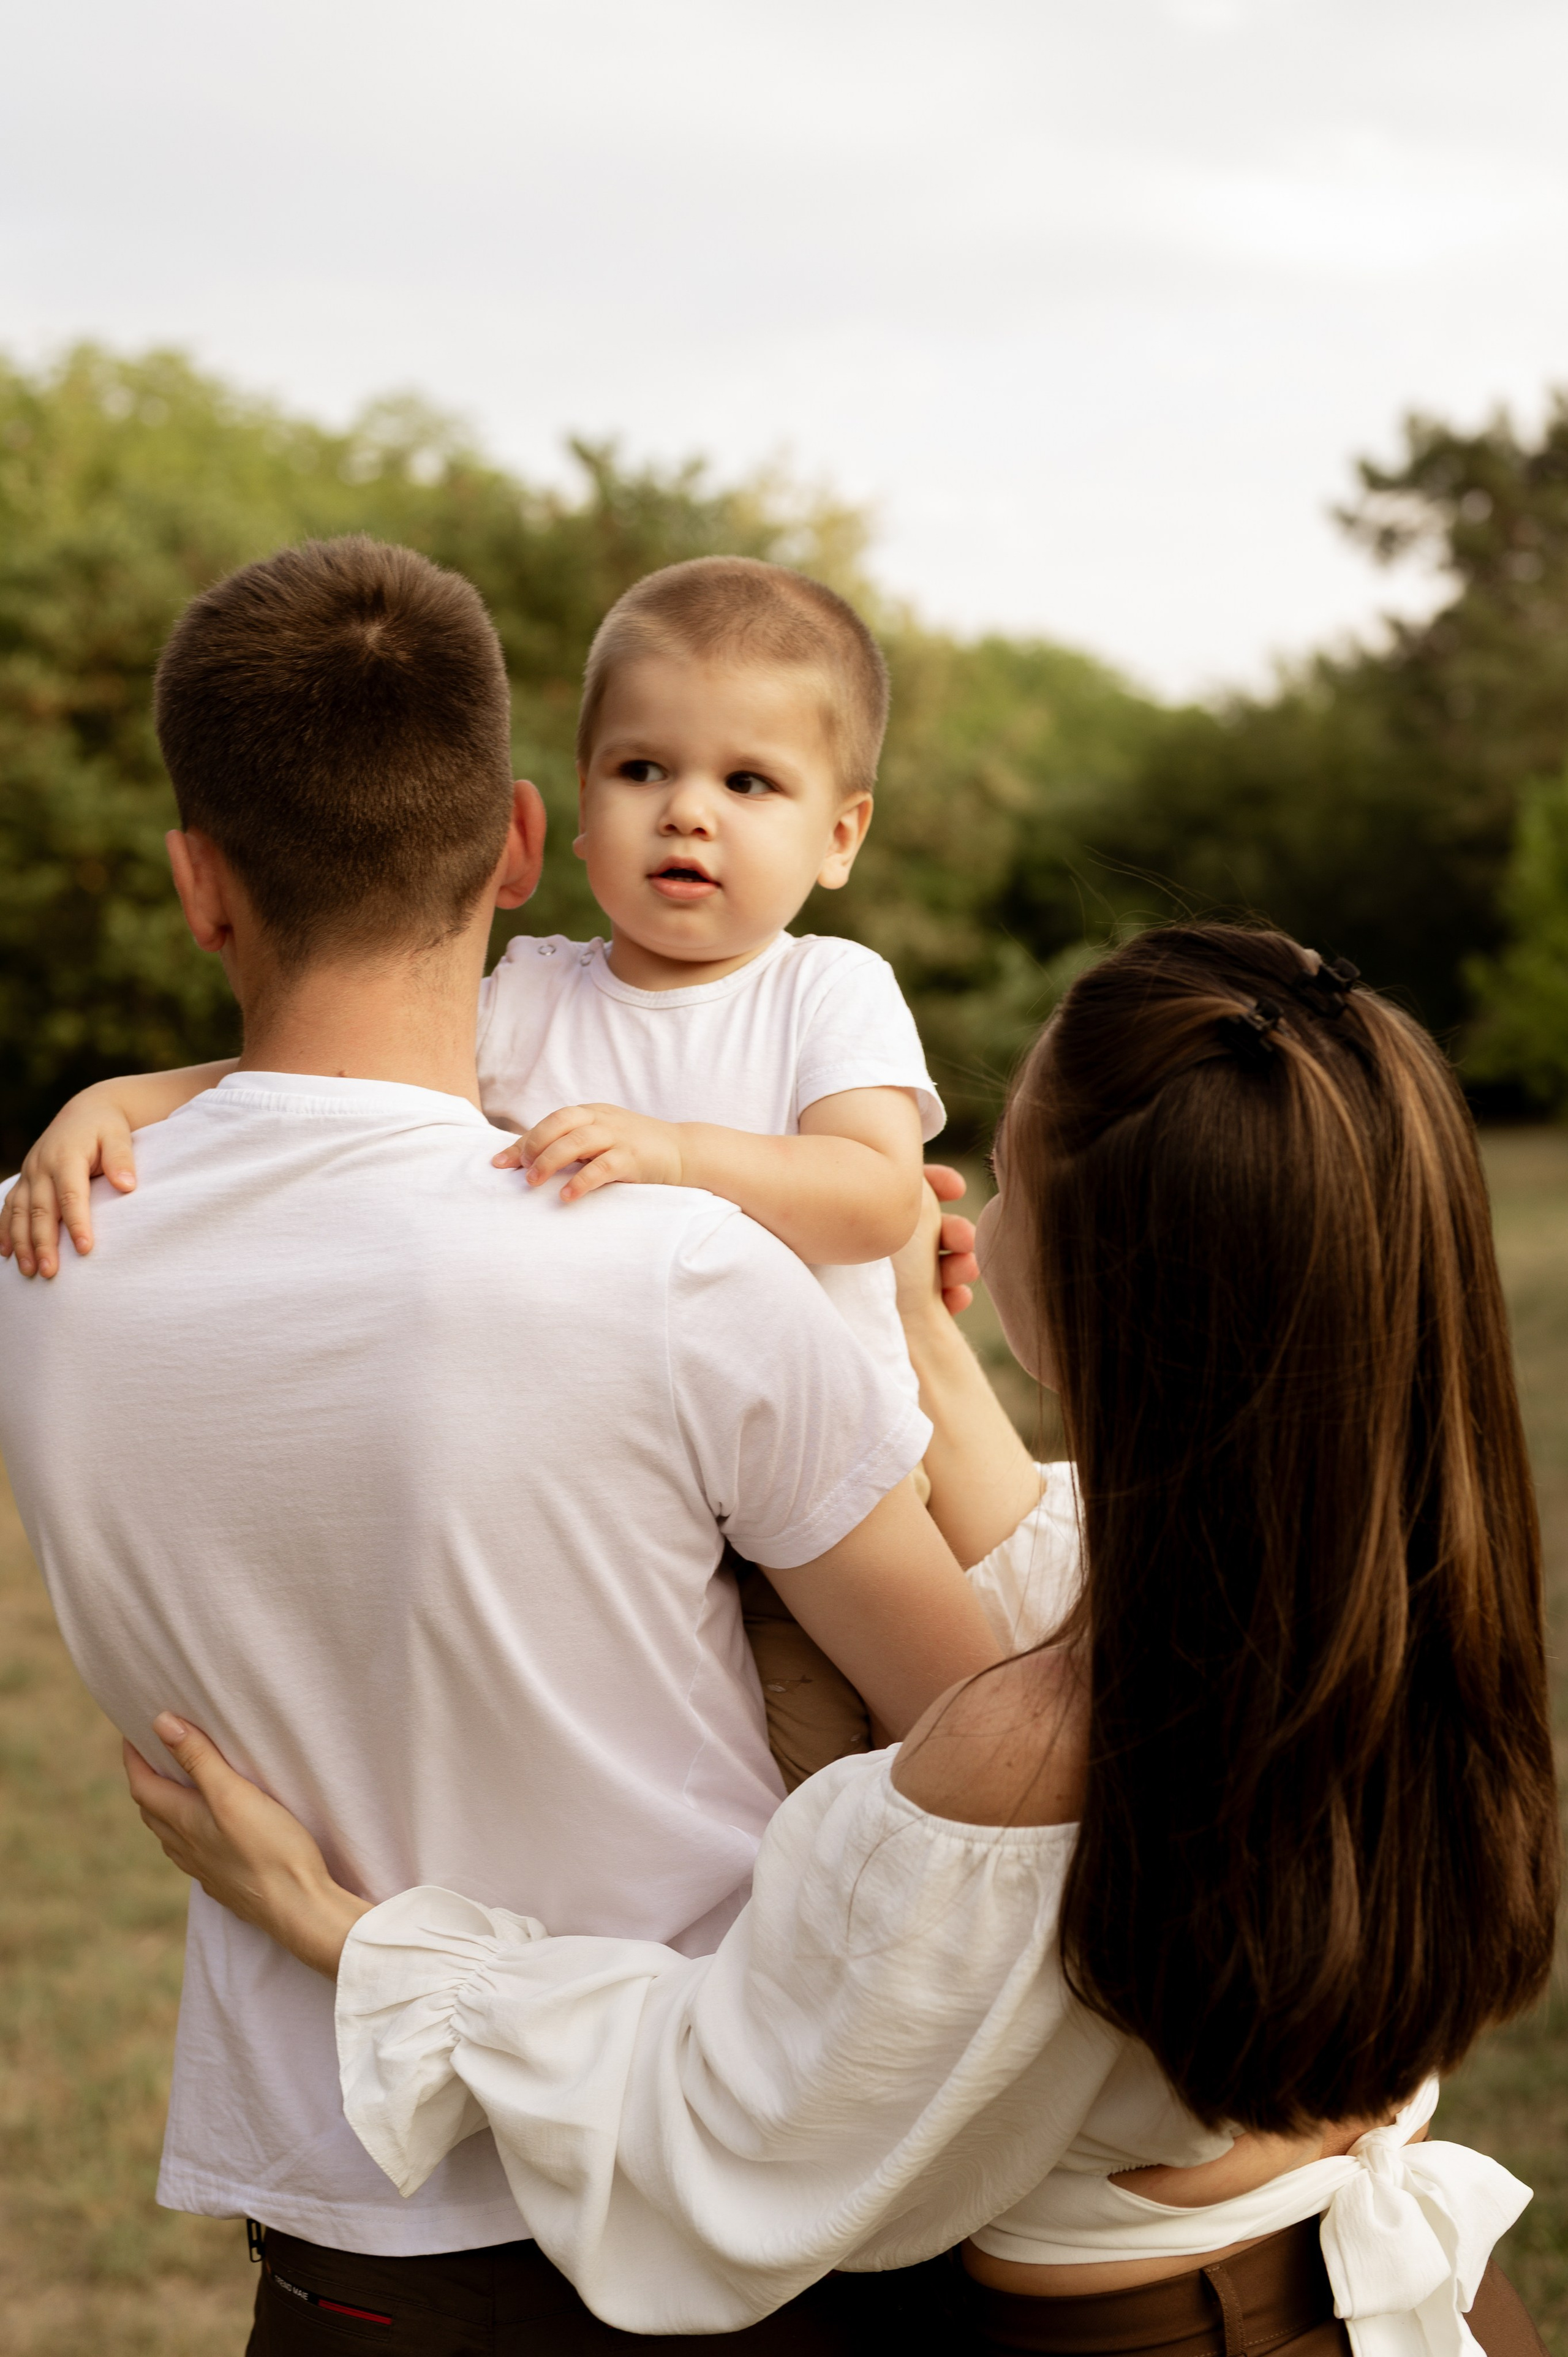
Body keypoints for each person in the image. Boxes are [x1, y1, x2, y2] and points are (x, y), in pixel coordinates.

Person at [129, 927, 1560, 2357]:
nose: (978, 1215)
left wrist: (342, 1924)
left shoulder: (1024, 1751)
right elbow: (1051, 1565)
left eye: (1012, 1169)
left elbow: (724, 2121)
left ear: (1106, 1286)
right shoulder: (1374, 1595)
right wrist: (910, 1340)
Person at [0, 535, 1001, 2350]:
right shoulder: (669, 1265)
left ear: (195, 886)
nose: (692, 818)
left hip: (350, 2233)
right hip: (731, 2202)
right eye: (654, 774)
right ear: (527, 847)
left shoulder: (45, 1256)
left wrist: (98, 1104)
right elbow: (994, 1733)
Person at [2, 554, 946, 1787]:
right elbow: (315, 1070)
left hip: (825, 1509)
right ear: (547, 821)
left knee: (840, 1799)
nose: (687, 812)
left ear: (840, 835)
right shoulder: (539, 990)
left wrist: (676, 1154)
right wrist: (113, 1100)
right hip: (629, 1502)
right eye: (642, 769)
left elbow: (881, 1198)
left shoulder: (823, 987)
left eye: (748, 781)